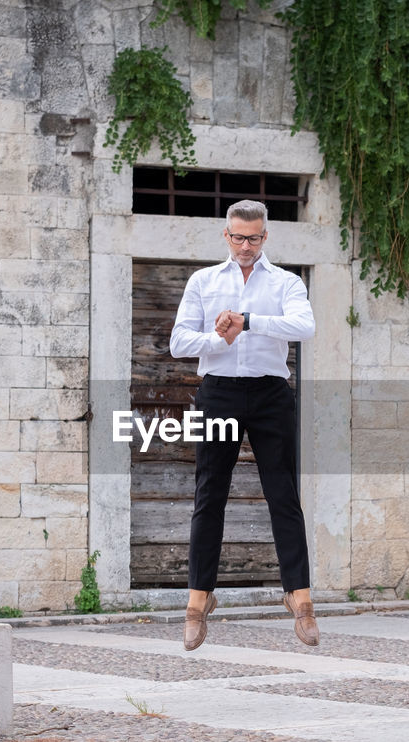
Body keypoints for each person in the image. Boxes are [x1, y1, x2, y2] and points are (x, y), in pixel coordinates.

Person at [168, 199, 319, 651]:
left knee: (283, 495)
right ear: (226, 235)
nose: (246, 245)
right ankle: (199, 601)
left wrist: (249, 321)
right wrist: (220, 337)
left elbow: (304, 327)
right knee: (209, 494)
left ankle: (300, 598)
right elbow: (178, 342)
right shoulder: (203, 281)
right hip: (219, 392)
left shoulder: (287, 282)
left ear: (265, 236)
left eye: (254, 237)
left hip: (272, 394)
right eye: (238, 237)